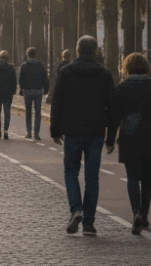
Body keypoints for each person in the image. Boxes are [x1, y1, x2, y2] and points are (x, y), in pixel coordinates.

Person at [49, 36, 117, 237]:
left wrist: (55, 129)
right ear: (95, 52)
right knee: (92, 178)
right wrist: (111, 137)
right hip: (96, 131)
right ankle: (89, 223)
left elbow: (57, 102)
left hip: (72, 130)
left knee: (70, 171)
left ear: (77, 51)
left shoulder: (66, 72)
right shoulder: (104, 75)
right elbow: (112, 107)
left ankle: (76, 209)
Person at [109, 53, 151, 235]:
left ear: (126, 68)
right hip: (150, 137)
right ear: (146, 67)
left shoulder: (121, 88)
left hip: (129, 137)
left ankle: (135, 212)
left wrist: (109, 140)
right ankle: (144, 215)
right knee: (146, 178)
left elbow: (114, 117)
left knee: (132, 178)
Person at [19, 47, 49, 140]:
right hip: (38, 90)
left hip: (28, 91)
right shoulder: (40, 66)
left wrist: (21, 89)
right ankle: (36, 132)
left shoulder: (24, 66)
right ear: (35, 55)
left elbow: (21, 79)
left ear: (27, 55)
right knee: (38, 112)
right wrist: (46, 89)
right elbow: (45, 78)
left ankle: (28, 131)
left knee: (28, 112)